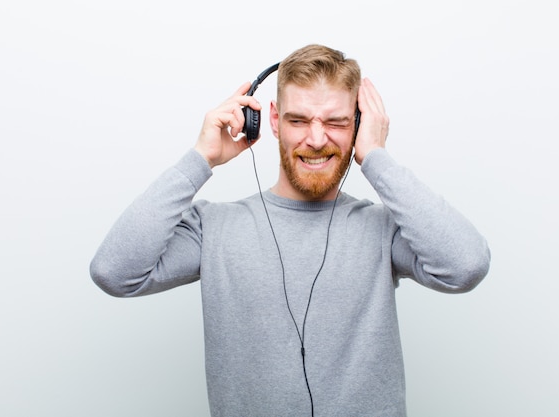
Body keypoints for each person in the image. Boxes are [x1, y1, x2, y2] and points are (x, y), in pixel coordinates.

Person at [90, 44, 491, 417]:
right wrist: (201, 159)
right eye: (299, 120)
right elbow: (115, 272)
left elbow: (465, 265)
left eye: (335, 122)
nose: (316, 140)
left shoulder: (384, 229)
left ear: (358, 125)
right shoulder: (212, 228)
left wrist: (377, 158)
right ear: (275, 121)